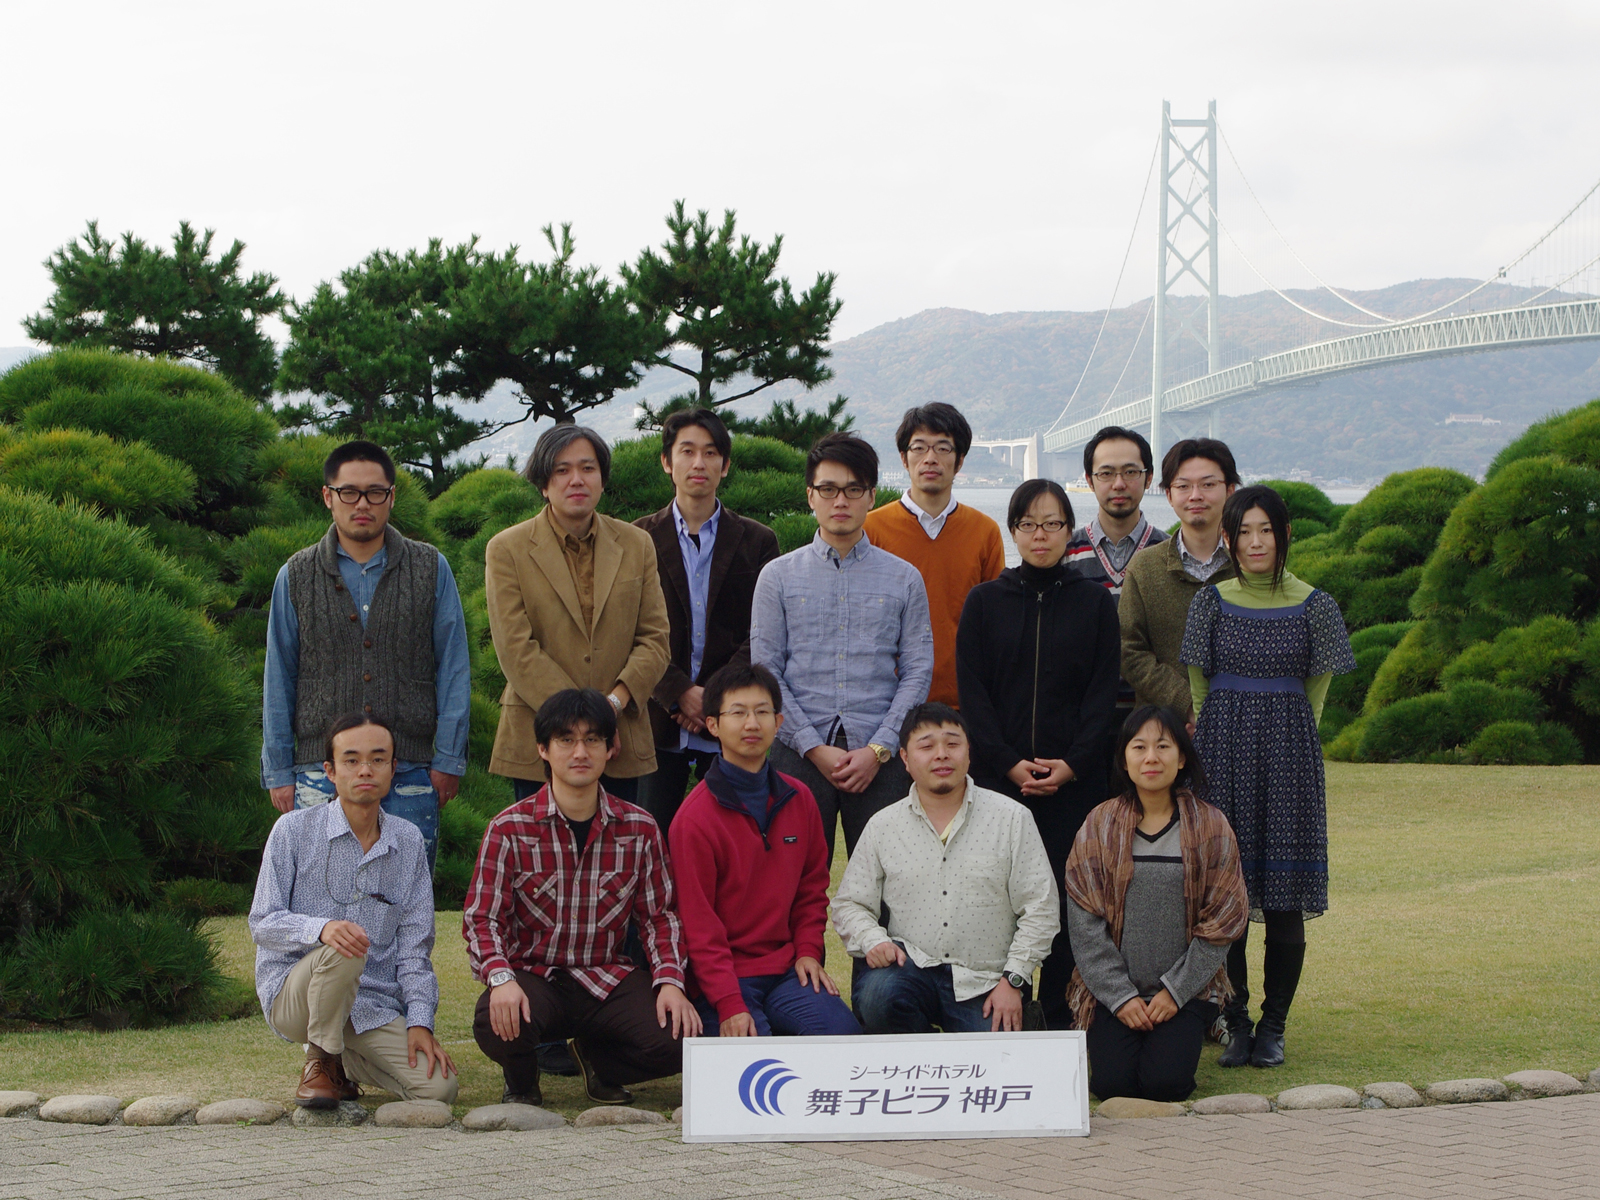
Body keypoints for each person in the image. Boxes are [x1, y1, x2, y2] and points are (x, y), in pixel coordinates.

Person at [1181, 485, 1355, 1069]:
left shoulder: (1316, 605)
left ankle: (1274, 1026)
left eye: (1267, 530)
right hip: (1221, 753)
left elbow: (1317, 692)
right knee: (1225, 898)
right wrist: (1213, 744)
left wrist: (1288, 738)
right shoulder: (1210, 602)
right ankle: (1237, 1023)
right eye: (1244, 532)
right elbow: (1199, 686)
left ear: (1284, 536)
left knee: (1283, 900)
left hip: (1289, 756)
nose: (1256, 542)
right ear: (1228, 539)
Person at [464, 689, 700, 1107]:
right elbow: (483, 918)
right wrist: (500, 978)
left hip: (606, 977)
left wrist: (670, 982)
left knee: (678, 1037)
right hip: (535, 976)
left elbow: (659, 918)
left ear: (611, 749)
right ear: (543, 749)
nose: (580, 752)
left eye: (592, 739)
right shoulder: (508, 828)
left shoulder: (640, 828)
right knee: (494, 1020)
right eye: (566, 740)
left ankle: (598, 1062)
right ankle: (522, 1081)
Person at [955, 478, 1120, 1029]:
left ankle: (1060, 1012)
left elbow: (1102, 695)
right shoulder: (985, 602)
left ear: (1070, 530)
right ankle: (1003, 1006)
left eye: (1052, 524)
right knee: (1001, 897)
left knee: (1073, 900)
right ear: (1013, 531)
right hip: (999, 782)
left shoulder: (1095, 604)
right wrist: (1007, 762)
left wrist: (1071, 764)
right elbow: (973, 695)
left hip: (1076, 783)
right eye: (1028, 524)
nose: (1040, 535)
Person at [262, 440, 470, 871]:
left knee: (404, 895)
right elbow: (278, 675)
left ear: (391, 497)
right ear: (328, 496)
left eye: (375, 492)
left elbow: (454, 667)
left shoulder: (430, 568)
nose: (362, 504)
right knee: (318, 893)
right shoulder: (296, 575)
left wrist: (449, 759)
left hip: (410, 769)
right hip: (320, 774)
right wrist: (279, 769)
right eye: (349, 492)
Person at [249, 713, 457, 1108]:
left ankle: (342, 1062)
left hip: (371, 1004)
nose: (365, 770)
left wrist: (419, 1021)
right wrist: (321, 929)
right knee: (345, 946)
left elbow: (415, 948)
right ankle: (320, 1060)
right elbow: (263, 922)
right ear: (330, 771)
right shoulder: (292, 831)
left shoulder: (408, 842)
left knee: (439, 1089)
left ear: (393, 768)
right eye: (351, 760)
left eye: (378, 759)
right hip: (297, 996)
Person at [751, 432, 934, 861]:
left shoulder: (904, 578)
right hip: (796, 751)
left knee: (890, 879)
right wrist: (812, 747)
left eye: (853, 489)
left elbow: (918, 670)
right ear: (810, 496)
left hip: (881, 757)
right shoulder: (777, 576)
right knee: (789, 875)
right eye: (828, 489)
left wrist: (878, 749)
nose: (840, 501)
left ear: (871, 496)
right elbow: (766, 670)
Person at [832, 703, 1059, 1034]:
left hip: (986, 981)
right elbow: (850, 903)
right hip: (910, 970)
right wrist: (872, 940)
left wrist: (1014, 980)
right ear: (905, 758)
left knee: (995, 1054)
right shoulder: (883, 825)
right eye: (926, 746)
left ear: (968, 753)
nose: (941, 754)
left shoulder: (1012, 818)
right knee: (877, 997)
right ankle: (921, 1052)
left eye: (953, 744)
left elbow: (1041, 908)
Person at [1063, 706, 1249, 1102]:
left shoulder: (1211, 826)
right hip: (1113, 993)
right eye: (1139, 747)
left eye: (1163, 746)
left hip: (1184, 994)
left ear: (1181, 758)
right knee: (1111, 1086)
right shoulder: (1099, 825)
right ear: (1124, 759)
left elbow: (1224, 918)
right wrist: (1120, 996)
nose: (1151, 757)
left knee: (1166, 1085)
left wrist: (1175, 991)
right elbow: (1084, 921)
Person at [669, 661, 860, 1037]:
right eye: (738, 713)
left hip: (787, 970)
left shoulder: (799, 798)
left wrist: (808, 951)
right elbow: (698, 923)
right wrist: (728, 1002)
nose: (752, 724)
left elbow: (811, 890)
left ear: (779, 722)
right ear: (713, 725)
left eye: (762, 712)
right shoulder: (693, 819)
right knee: (754, 1056)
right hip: (724, 979)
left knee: (843, 1038)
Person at [484, 425, 671, 806]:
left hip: (619, 738)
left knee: (617, 841)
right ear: (543, 483)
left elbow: (655, 640)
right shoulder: (507, 549)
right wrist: (584, 723)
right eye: (562, 470)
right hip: (539, 740)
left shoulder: (636, 544)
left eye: (588, 468)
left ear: (602, 478)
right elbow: (517, 650)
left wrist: (612, 706)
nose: (576, 480)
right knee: (541, 844)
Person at [634, 408, 780, 830]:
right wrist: (679, 692)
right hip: (659, 720)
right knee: (651, 837)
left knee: (735, 837)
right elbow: (629, 629)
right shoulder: (637, 539)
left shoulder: (758, 540)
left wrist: (713, 697)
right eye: (687, 451)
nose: (699, 463)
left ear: (725, 465)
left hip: (732, 719)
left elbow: (763, 629)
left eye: (711, 452)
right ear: (667, 462)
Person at [862, 403, 1004, 708]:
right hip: (887, 702)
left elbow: (996, 624)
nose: (930, 458)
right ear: (904, 458)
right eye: (919, 448)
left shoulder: (985, 531)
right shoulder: (870, 529)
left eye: (943, 448)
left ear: (959, 460)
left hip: (965, 701)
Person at [1119, 437, 1240, 721]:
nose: (1195, 495)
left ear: (1230, 491)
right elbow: (1128, 649)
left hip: (1240, 726)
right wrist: (1188, 705)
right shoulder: (1145, 567)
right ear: (1169, 495)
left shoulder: (1248, 567)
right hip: (1163, 731)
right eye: (1183, 486)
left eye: (1208, 484)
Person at [1066, 425, 1169, 719]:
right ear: (1090, 480)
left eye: (1131, 472)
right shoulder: (1065, 554)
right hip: (1081, 722)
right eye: (1106, 473)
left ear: (1148, 478)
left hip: (1154, 724)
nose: (1119, 484)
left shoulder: (1170, 554)